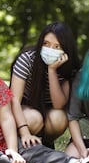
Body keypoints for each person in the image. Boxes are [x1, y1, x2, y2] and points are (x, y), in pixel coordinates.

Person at [10, 21, 81, 149]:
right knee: (34, 118)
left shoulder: (70, 68)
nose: (50, 50)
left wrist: (52, 70)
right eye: (46, 44)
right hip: (24, 108)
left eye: (57, 47)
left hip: (49, 110)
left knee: (59, 118)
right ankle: (22, 141)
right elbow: (14, 100)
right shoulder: (27, 59)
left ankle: (46, 144)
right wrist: (25, 132)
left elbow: (59, 105)